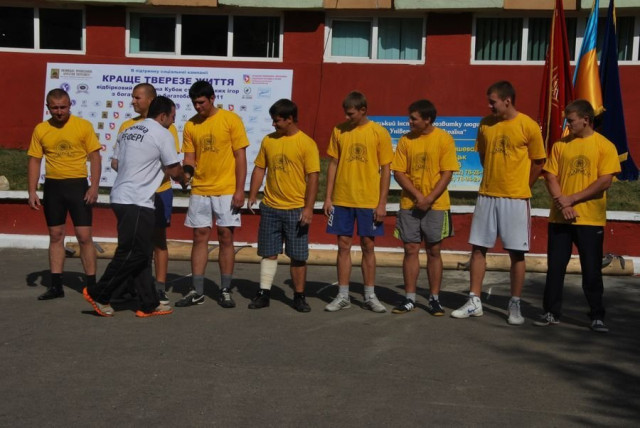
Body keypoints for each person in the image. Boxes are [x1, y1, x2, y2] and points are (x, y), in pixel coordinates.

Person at [451, 81, 546, 324]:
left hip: (515, 199)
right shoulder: (485, 124)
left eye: (492, 102)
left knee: (517, 253)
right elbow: (483, 155)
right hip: (487, 195)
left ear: (507, 100)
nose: (489, 106)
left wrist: (522, 185)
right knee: (478, 249)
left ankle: (514, 304)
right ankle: (474, 301)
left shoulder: (528, 125)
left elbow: (538, 162)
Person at [83, 96, 185, 317]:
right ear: (163, 116)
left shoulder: (128, 131)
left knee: (142, 251)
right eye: (173, 117)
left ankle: (149, 303)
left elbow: (116, 163)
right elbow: (174, 170)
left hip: (121, 196)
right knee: (133, 252)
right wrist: (186, 177)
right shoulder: (163, 134)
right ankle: (100, 293)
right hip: (137, 200)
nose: (173, 121)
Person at [534, 100, 621, 333]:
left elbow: (605, 181)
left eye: (571, 120)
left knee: (591, 270)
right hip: (560, 218)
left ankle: (597, 315)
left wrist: (572, 199)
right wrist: (562, 203)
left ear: (586, 119)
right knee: (555, 268)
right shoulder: (560, 146)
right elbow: (550, 176)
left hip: (589, 219)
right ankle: (551, 312)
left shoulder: (605, 146)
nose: (568, 124)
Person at [176, 80, 249, 309]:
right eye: (194, 103)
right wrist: (186, 175)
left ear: (212, 98)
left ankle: (225, 290)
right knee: (199, 236)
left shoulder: (231, 120)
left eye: (201, 102)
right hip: (200, 189)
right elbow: (189, 158)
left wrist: (240, 190)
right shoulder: (191, 125)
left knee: (226, 236)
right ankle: (197, 291)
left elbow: (240, 156)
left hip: (227, 189)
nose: (198, 107)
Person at [323, 91, 394, 313]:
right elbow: (333, 164)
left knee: (368, 246)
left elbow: (386, 169)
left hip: (368, 200)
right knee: (343, 245)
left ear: (363, 110)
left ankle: (370, 295)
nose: (347, 117)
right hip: (342, 199)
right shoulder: (339, 130)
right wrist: (328, 197)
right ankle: (343, 295)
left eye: (351, 114)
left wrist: (382, 203)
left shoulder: (379, 132)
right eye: (345, 113)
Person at [27, 89, 102, 300]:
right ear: (48, 107)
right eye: (55, 108)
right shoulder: (41, 129)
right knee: (56, 235)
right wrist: (32, 191)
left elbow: (95, 157)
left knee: (84, 237)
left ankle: (92, 285)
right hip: (54, 188)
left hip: (78, 186)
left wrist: (94, 187)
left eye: (63, 107)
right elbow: (34, 160)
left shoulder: (83, 126)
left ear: (70, 105)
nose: (59, 112)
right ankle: (56, 286)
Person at [246, 99, 320, 312]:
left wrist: (308, 208)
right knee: (268, 253)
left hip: (296, 209)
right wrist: (252, 194)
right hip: (271, 207)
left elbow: (313, 177)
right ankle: (264, 293)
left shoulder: (306, 143)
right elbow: (260, 168)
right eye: (273, 120)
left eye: (277, 121)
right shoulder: (269, 140)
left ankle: (299, 296)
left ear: (290, 119)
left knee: (298, 256)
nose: (273, 124)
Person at [112, 83, 181, 305]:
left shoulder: (167, 128)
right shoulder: (126, 126)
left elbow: (171, 165)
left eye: (137, 97)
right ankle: (130, 287)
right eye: (133, 97)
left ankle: (158, 288)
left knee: (158, 241)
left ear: (151, 101)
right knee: (131, 243)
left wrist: (150, 176)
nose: (133, 101)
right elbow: (116, 162)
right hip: (134, 196)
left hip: (159, 192)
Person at [391, 99, 459, 315]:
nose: (409, 122)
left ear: (427, 119)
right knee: (410, 249)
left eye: (414, 118)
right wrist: (419, 196)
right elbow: (398, 172)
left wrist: (429, 199)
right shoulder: (405, 140)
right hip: (409, 205)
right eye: (410, 118)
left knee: (434, 250)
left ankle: (434, 299)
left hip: (436, 205)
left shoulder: (444, 139)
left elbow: (447, 173)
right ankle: (409, 298)